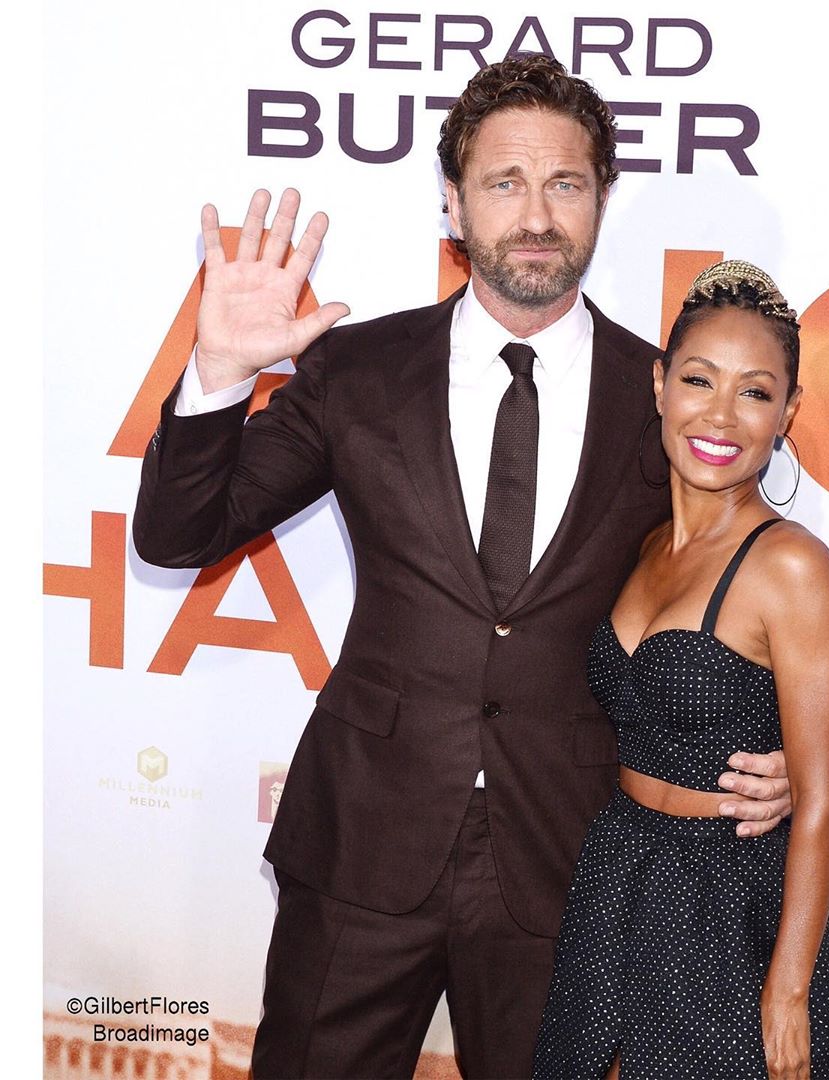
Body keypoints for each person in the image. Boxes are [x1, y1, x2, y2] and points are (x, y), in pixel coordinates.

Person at [134, 57, 793, 1080]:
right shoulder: (358, 369)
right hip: (362, 843)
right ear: (452, 200)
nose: (536, 215)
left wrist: (777, 751)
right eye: (503, 182)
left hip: (569, 859)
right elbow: (179, 536)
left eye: (565, 183)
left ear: (601, 200)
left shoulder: (667, 396)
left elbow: (740, 580)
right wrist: (218, 374)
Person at [532, 261, 829, 1080]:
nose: (722, 415)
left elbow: (822, 798)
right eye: (699, 380)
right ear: (660, 385)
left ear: (788, 412)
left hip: (731, 903)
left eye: (755, 392)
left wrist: (790, 990)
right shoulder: (641, 546)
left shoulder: (792, 567)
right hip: (616, 877)